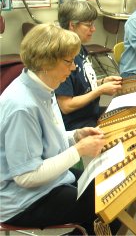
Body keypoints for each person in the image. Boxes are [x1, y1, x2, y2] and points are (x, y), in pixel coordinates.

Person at [0, 24, 120, 235]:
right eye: (68, 61)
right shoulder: (22, 106)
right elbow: (26, 177)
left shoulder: (44, 86)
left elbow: (43, 141)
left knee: (114, 191)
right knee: (110, 206)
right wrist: (79, 150)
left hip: (47, 182)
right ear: (45, 62)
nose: (73, 67)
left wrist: (75, 136)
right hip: (21, 200)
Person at [55, 0, 122, 131]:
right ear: (72, 25)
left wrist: (102, 82)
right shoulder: (62, 55)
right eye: (88, 25)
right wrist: (100, 90)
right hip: (77, 126)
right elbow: (66, 105)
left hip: (91, 115)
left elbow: (80, 85)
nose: (93, 29)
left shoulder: (80, 48)